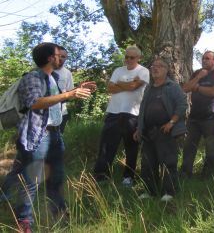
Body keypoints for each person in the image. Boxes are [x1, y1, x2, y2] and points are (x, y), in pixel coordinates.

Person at [1, 42, 94, 231]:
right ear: (51, 57)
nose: (63, 58)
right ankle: (24, 222)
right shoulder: (33, 77)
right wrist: (70, 93)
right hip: (38, 136)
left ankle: (59, 215)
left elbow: (57, 100)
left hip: (55, 135)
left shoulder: (54, 77)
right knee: (32, 181)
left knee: (56, 177)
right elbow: (34, 103)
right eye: (60, 55)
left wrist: (76, 90)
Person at [93, 46, 150, 185]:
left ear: (138, 58)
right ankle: (102, 175)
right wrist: (128, 83)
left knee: (131, 146)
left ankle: (128, 177)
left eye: (132, 57)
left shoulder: (143, 71)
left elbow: (133, 87)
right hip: (113, 112)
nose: (129, 60)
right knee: (106, 145)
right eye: (127, 57)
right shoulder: (118, 70)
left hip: (132, 114)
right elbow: (109, 88)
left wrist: (119, 83)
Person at [134, 57, 187, 202]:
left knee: (168, 162)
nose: (155, 69)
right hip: (148, 132)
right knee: (148, 163)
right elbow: (143, 110)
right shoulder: (149, 88)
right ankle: (149, 191)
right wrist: (139, 128)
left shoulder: (172, 87)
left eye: (159, 66)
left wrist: (172, 122)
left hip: (166, 131)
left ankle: (169, 192)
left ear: (167, 70)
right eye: (153, 66)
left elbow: (182, 105)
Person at [181, 51, 214, 177]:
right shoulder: (197, 73)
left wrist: (198, 88)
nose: (204, 60)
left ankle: (208, 175)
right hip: (194, 117)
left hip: (212, 117)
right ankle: (185, 173)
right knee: (189, 146)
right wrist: (199, 77)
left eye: (207, 58)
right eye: (203, 58)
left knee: (210, 149)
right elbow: (185, 88)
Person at [54, 46, 74, 133]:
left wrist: (80, 89)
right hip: (43, 116)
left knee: (57, 142)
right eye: (59, 56)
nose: (60, 58)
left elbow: (70, 94)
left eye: (63, 57)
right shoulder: (41, 71)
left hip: (61, 113)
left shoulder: (67, 73)